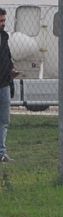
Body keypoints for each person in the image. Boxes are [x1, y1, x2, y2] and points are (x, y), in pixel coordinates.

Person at [0, 8, 15, 163]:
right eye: (0, 21)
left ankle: (1, 152)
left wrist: (11, 70)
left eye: (3, 20)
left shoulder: (4, 38)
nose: (3, 24)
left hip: (4, 84)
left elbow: (7, 58)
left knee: (4, 120)